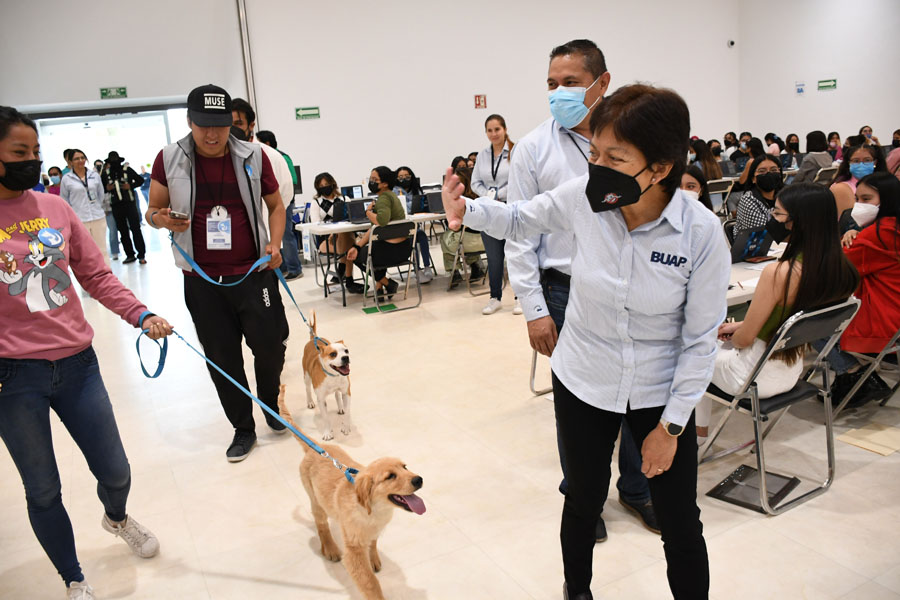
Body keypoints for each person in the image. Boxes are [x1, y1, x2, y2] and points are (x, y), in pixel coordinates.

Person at [445, 83, 726, 600]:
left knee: (680, 521)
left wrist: (670, 426)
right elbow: (521, 218)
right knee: (582, 499)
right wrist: (468, 208)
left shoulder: (701, 233)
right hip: (584, 377)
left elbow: (700, 341)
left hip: (660, 393)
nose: (596, 167)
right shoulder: (584, 197)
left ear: (661, 167)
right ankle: (578, 593)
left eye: (614, 157)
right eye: (594, 152)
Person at [0, 105, 174, 600]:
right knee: (43, 489)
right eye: (19, 152)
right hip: (13, 377)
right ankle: (74, 578)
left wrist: (140, 314)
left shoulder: (54, 208)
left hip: (77, 365)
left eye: (34, 151)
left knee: (115, 469)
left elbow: (95, 276)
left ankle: (116, 518)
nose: (31, 160)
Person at [505, 39, 657, 545]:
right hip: (565, 292)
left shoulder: (635, 141)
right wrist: (533, 309)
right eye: (552, 84)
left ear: (601, 83)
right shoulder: (532, 148)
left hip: (631, 287)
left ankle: (638, 490)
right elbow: (519, 234)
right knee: (579, 405)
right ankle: (584, 497)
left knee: (637, 392)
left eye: (570, 83)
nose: (559, 93)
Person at [146, 84, 290, 463]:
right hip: (202, 279)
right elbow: (153, 210)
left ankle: (271, 405)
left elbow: (276, 207)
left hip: (253, 272)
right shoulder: (168, 158)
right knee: (223, 358)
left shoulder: (254, 156)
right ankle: (243, 429)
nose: (211, 135)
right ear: (190, 122)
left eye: (220, 126)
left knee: (271, 346)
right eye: (203, 125)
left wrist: (274, 244)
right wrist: (161, 219)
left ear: (231, 123)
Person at [707, 184, 860, 435]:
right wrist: (740, 327)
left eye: (777, 214)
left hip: (751, 376)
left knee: (690, 352)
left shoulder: (781, 273)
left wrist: (736, 333)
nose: (772, 219)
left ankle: (697, 439)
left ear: (797, 221)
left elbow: (745, 341)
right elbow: (787, 322)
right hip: (790, 371)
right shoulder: (840, 268)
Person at [827, 172, 900, 405]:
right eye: (857, 199)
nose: (860, 205)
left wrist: (850, 237)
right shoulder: (887, 229)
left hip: (884, 317)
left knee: (807, 314)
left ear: (887, 199)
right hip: (894, 310)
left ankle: (853, 374)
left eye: (867, 199)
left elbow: (837, 269)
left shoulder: (878, 234)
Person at [231, 101, 303, 281]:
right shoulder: (221, 156)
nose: (233, 129)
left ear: (251, 125)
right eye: (229, 123)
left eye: (238, 124)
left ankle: (293, 267)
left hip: (264, 245)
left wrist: (272, 239)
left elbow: (284, 196)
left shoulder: (270, 156)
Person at [346, 166, 411, 299]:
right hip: (404, 249)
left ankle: (388, 283)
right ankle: (380, 287)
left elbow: (381, 221)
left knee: (357, 257)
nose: (372, 182)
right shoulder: (392, 196)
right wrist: (357, 246)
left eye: (375, 179)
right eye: (370, 179)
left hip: (389, 252)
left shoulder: (384, 199)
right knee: (371, 248)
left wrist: (368, 212)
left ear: (385, 183)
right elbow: (375, 229)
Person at [472, 114, 514, 314]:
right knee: (494, 256)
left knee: (515, 255)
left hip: (510, 208)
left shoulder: (515, 151)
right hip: (489, 210)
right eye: (489, 130)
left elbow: (519, 179)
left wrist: (499, 194)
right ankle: (495, 297)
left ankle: (520, 297)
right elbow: (475, 182)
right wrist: (488, 196)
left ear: (504, 129)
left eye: (497, 129)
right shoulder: (482, 156)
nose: (493, 134)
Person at [308, 172, 364, 293]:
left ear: (333, 184)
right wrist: (332, 231)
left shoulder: (344, 199)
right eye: (321, 185)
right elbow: (316, 224)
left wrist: (337, 232)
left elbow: (352, 219)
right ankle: (348, 280)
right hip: (326, 241)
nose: (324, 187)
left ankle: (344, 274)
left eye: (326, 184)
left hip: (345, 237)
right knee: (349, 243)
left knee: (346, 237)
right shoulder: (316, 202)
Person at [59, 149, 108, 261]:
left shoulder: (94, 175)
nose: (80, 160)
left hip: (98, 217)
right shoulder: (66, 179)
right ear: (70, 162)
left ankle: (107, 274)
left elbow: (101, 194)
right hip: (80, 220)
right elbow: (64, 200)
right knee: (86, 251)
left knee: (102, 249)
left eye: (82, 157)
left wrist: (97, 207)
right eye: (76, 159)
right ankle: (91, 276)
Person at [440, 166, 486, 286]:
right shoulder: (483, 197)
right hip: (486, 241)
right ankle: (475, 266)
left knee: (447, 238)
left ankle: (453, 271)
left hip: (466, 243)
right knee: (465, 236)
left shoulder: (458, 201)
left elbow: (453, 227)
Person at [101, 151, 147, 264]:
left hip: (129, 203)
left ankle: (141, 255)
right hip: (116, 206)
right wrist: (107, 188)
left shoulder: (127, 170)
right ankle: (130, 255)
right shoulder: (106, 173)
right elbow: (100, 188)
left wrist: (130, 186)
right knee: (123, 231)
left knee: (135, 229)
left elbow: (140, 180)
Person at [394, 165, 434, 283]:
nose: (404, 179)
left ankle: (427, 266)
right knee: (414, 238)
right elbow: (403, 208)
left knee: (421, 236)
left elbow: (423, 204)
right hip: (400, 227)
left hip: (414, 225)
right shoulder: (395, 191)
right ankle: (417, 269)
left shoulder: (417, 189)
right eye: (400, 177)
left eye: (407, 176)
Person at [831, 144, 887, 216]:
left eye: (867, 160)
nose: (861, 164)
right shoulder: (840, 188)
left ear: (875, 162)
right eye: (856, 161)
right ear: (849, 163)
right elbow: (851, 220)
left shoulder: (884, 183)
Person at [734, 154, 783, 235]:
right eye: (762, 171)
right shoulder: (748, 200)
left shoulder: (786, 195)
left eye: (773, 170)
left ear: (780, 174)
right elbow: (766, 234)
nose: (768, 174)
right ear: (753, 178)